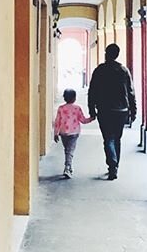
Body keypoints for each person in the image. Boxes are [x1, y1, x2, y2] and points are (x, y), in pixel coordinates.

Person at [87, 43, 136, 180]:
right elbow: (131, 91)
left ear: (106, 53)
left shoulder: (99, 70)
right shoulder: (123, 70)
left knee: (108, 138)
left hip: (105, 109)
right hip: (121, 110)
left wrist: (91, 108)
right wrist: (134, 109)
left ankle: (112, 165)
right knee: (117, 139)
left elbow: (92, 91)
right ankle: (115, 166)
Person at [53, 88, 93, 178]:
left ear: (64, 98)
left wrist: (56, 133)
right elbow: (83, 120)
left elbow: (57, 121)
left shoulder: (61, 108)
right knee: (69, 150)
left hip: (63, 133)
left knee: (67, 150)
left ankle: (68, 166)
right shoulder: (77, 108)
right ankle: (67, 167)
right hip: (74, 133)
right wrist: (91, 119)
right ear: (74, 98)